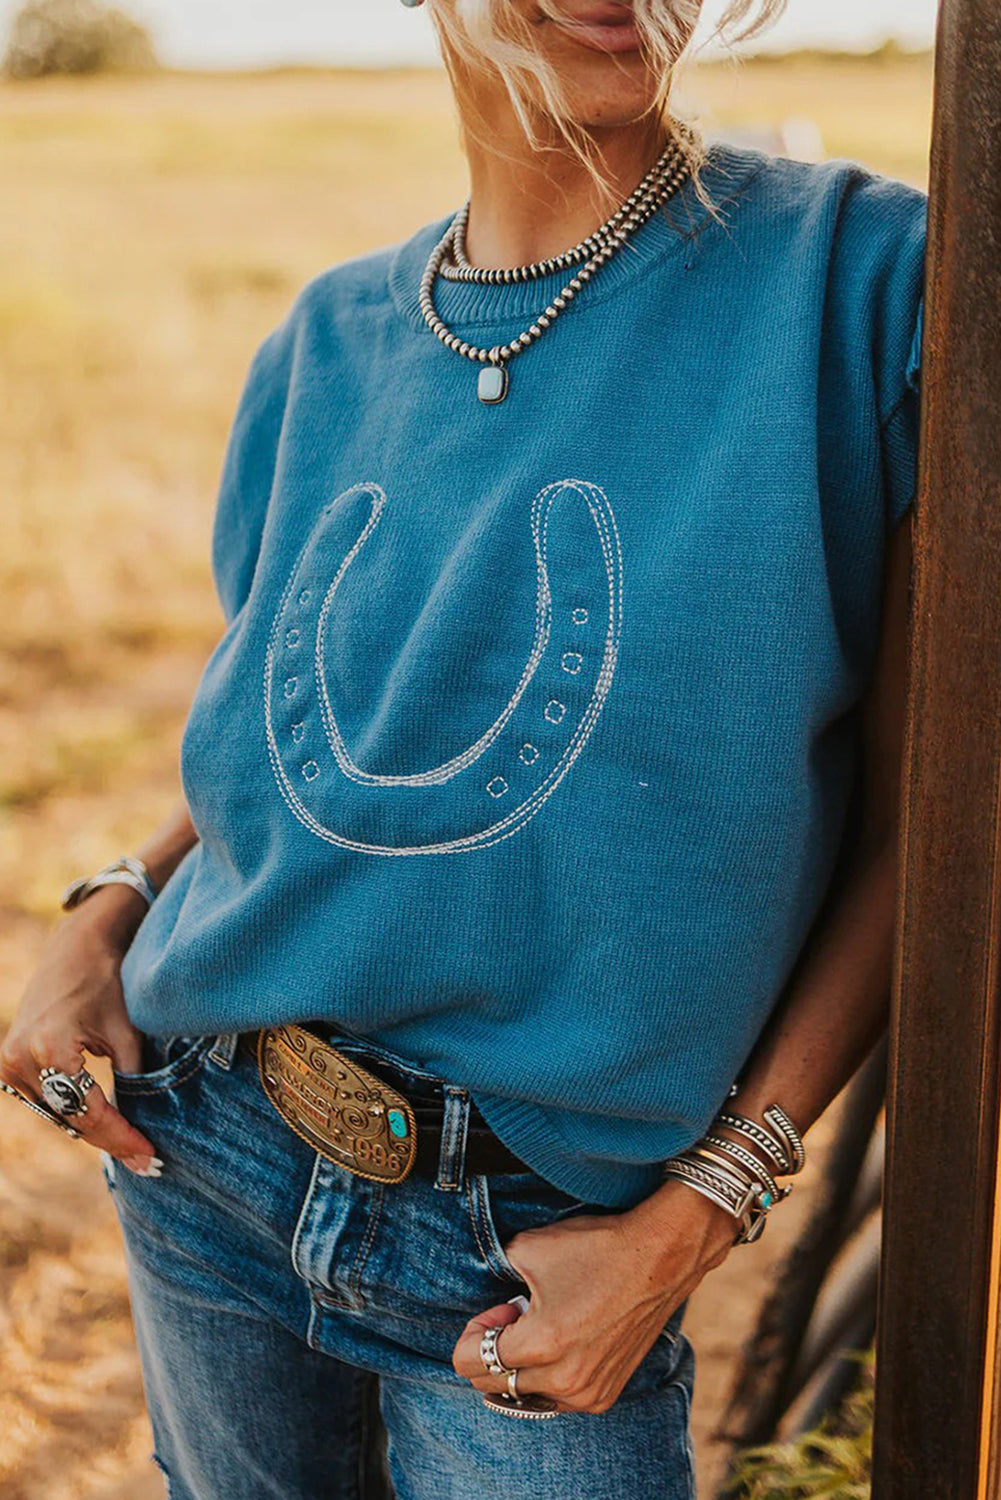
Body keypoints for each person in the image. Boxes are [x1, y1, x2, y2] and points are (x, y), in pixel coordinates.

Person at [0, 1, 926, 1495]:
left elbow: (927, 820)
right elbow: (289, 751)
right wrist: (107, 908)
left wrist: (698, 1212)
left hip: (540, 1258)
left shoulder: (864, 284)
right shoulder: (320, 347)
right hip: (209, 1158)